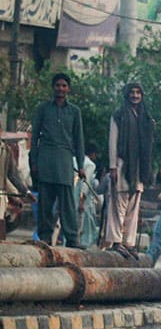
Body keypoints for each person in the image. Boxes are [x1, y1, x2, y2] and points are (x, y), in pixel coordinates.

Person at [30, 73, 86, 248]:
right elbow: (34, 138)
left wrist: (81, 165)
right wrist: (34, 162)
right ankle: (45, 237)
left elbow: (79, 140)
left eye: (63, 86)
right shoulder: (43, 108)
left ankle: (72, 239)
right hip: (45, 158)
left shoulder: (74, 111)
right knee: (45, 202)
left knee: (68, 204)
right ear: (53, 87)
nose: (60, 89)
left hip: (65, 161)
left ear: (68, 89)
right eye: (57, 85)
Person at [105, 82, 155, 258]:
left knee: (133, 207)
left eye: (138, 93)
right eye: (132, 92)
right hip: (122, 165)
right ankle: (116, 241)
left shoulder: (145, 117)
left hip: (138, 168)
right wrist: (112, 166)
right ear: (127, 95)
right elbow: (113, 141)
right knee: (118, 204)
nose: (135, 95)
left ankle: (129, 243)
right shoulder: (119, 116)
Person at [0, 138, 32, 241]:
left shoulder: (6, 150)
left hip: (1, 196)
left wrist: (24, 192)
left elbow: (9, 176)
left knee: (2, 228)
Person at [74, 143, 100, 249]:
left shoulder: (74, 160)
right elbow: (86, 183)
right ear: (93, 154)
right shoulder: (90, 165)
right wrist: (82, 201)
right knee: (85, 226)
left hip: (69, 195)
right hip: (82, 199)